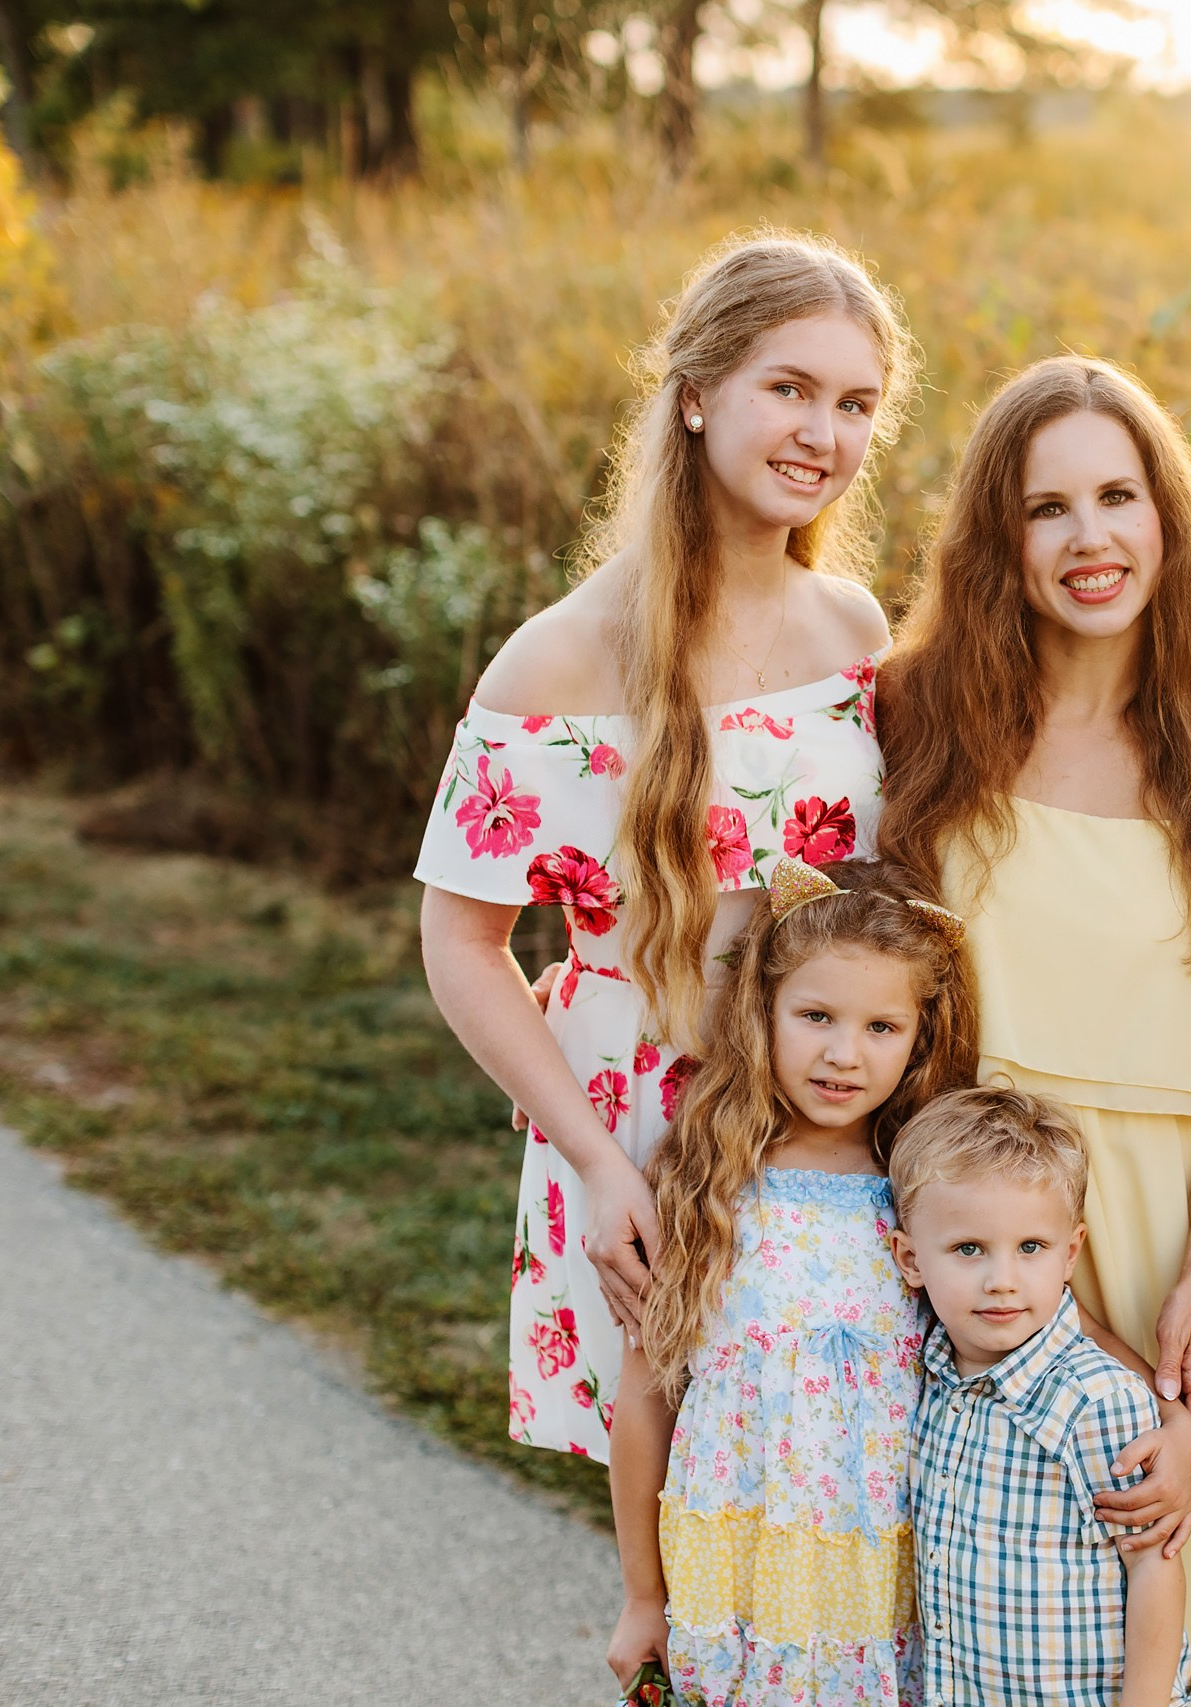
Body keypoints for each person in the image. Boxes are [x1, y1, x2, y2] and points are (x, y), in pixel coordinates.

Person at [416, 232, 911, 1462]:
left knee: (823, 1493)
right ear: (695, 396)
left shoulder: (854, 627)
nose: (822, 434)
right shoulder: (559, 660)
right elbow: (463, 939)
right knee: (671, 1512)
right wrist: (590, 1159)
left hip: (825, 1109)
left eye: (854, 404)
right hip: (636, 1117)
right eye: (788, 389)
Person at [877, 356, 1191, 1707]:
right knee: (985, 1619)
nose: (1090, 539)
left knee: (1188, 1594)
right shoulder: (921, 720)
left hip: (1178, 1220)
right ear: (998, 541)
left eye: (1118, 495)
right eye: (1046, 506)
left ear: (1167, 519)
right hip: (982, 1230)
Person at [602, 857, 979, 1702]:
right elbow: (645, 1398)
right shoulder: (707, 1178)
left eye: (883, 1027)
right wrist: (642, 1597)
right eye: (815, 1015)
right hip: (739, 1565)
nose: (844, 1054)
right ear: (763, 1009)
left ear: (921, 1033)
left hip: (890, 1572)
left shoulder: (928, 1183)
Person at [891, 1086, 1191, 1707]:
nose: (1001, 1281)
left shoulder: (1095, 1398)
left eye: (1030, 1248)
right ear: (910, 1258)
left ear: (1070, 1254)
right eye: (968, 1249)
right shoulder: (925, 1377)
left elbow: (1153, 1563)